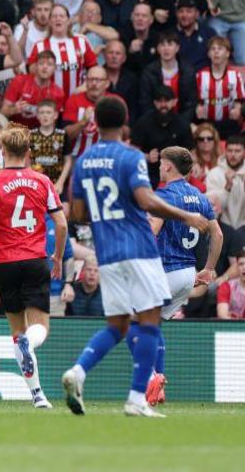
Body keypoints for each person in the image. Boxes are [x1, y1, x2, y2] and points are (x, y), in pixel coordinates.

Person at [62, 95, 210, 418]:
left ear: (95, 123)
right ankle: (136, 399)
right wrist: (186, 216)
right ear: (125, 120)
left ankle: (79, 371)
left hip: (108, 254)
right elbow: (146, 200)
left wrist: (107, 214)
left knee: (117, 325)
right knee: (149, 322)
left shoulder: (84, 161)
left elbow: (77, 212)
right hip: (140, 248)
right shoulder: (131, 157)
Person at [0, 127, 67, 409]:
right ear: (28, 153)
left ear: (3, 152)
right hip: (35, 259)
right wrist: (59, 258)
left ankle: (38, 395)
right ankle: (30, 348)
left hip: (3, 263)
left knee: (18, 332)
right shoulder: (42, 181)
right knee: (40, 329)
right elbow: (61, 224)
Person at [147, 146, 223, 405]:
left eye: (161, 164)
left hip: (164, 270)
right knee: (154, 324)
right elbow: (218, 235)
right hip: (187, 274)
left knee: (133, 324)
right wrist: (209, 268)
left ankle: (151, 378)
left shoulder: (164, 194)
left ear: (168, 166)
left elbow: (153, 230)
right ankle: (159, 381)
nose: (159, 167)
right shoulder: (200, 196)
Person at [27, 4, 98, 101]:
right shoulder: (40, 45)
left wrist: (85, 86)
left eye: (61, 16)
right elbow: (31, 74)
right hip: (49, 103)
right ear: (49, 21)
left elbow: (94, 68)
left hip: (77, 100)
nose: (58, 19)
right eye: (54, 16)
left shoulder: (82, 41)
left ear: (68, 21)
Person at [138, 32, 198, 124]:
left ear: (177, 48)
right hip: (155, 123)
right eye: (162, 45)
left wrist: (182, 123)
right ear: (158, 49)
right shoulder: (148, 72)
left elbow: (190, 103)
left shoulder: (188, 71)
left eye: (170, 44)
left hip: (182, 122)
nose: (166, 49)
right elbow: (145, 102)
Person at [1, 50, 65, 129]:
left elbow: (52, 124)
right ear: (36, 66)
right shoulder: (19, 81)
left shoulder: (58, 93)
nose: (45, 67)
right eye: (41, 63)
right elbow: (2, 112)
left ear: (54, 68)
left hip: (38, 135)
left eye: (49, 64)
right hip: (15, 133)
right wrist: (14, 110)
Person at [195, 36, 244, 140]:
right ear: (208, 54)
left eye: (220, 49)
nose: (216, 52)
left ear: (227, 53)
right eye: (213, 49)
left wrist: (237, 109)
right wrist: (198, 108)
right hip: (207, 124)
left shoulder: (235, 75)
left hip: (229, 123)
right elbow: (196, 100)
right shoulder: (201, 75)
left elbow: (239, 100)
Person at [205, 136, 245, 230]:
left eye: (237, 151)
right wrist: (227, 188)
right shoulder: (214, 173)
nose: (233, 155)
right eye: (230, 151)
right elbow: (212, 211)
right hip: (221, 227)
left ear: (244, 153)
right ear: (225, 151)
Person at [216, 251, 245, 319]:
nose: (244, 267)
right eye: (241, 264)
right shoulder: (226, 286)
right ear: (237, 267)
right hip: (232, 328)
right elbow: (222, 315)